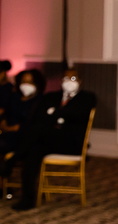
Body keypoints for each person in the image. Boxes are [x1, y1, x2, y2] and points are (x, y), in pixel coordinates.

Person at [8, 68, 96, 211]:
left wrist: (54, 112)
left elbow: (77, 114)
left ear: (80, 81)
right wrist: (56, 114)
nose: (69, 82)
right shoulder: (51, 97)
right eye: (65, 79)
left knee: (38, 131)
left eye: (73, 79)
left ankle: (12, 160)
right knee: (34, 149)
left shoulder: (87, 97)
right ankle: (27, 198)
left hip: (70, 142)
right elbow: (40, 115)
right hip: (48, 140)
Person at [0, 69, 46, 189]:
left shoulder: (40, 101)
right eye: (23, 81)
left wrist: (14, 128)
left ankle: (2, 177)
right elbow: (6, 113)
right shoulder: (15, 97)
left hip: (24, 136)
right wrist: (3, 123)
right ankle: (1, 178)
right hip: (8, 133)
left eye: (30, 82)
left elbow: (35, 123)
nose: (26, 85)